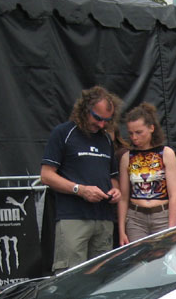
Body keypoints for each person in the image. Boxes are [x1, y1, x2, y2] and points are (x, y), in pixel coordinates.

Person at [40, 86, 122, 271]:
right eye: (97, 118)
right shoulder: (63, 133)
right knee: (70, 276)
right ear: (85, 110)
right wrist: (79, 189)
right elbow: (46, 175)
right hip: (73, 217)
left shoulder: (106, 140)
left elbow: (112, 177)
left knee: (101, 278)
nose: (101, 125)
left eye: (107, 121)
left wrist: (115, 191)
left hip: (103, 218)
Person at [117, 103, 176, 243]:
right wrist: (121, 230)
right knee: (139, 260)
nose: (134, 137)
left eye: (139, 132)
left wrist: (172, 227)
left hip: (162, 214)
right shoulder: (127, 157)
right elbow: (123, 197)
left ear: (151, 128)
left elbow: (174, 195)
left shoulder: (166, 153)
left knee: (165, 256)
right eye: (131, 133)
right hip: (136, 217)